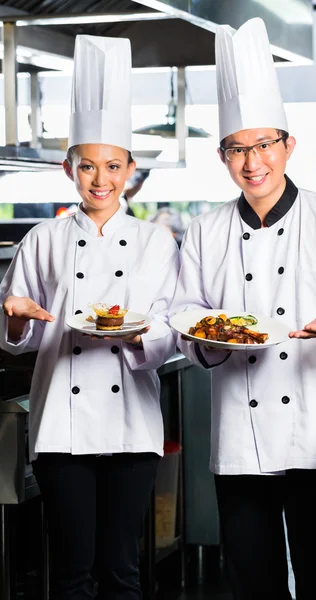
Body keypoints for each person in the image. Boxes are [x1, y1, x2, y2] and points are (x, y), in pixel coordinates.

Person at [170, 18, 316, 600]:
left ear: (288, 146)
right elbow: (186, 308)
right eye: (237, 149)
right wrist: (208, 339)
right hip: (239, 443)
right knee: (252, 583)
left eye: (264, 145)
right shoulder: (205, 231)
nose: (252, 162)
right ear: (223, 156)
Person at [0, 35, 179, 600]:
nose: (100, 180)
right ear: (68, 167)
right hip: (61, 428)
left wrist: (136, 335)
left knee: (123, 572)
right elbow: (16, 337)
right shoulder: (43, 238)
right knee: (72, 574)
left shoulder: (156, 242)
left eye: (112, 166)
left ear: (130, 169)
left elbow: (170, 331)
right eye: (87, 167)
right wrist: (14, 318)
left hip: (132, 424)